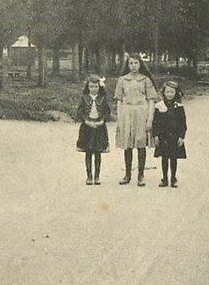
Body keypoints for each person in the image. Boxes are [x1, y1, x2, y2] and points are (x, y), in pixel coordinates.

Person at [114, 54, 158, 186]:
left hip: (141, 112)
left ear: (140, 64)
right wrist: (119, 117)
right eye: (131, 63)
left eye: (136, 63)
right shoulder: (122, 80)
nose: (133, 66)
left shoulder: (145, 80)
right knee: (127, 144)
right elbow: (119, 100)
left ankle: (141, 175)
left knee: (140, 142)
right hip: (126, 112)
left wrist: (150, 119)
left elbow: (151, 100)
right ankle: (127, 174)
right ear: (127, 65)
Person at [75, 74, 110, 185]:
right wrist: (87, 121)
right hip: (87, 127)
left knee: (98, 152)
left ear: (99, 87)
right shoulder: (84, 98)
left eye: (95, 86)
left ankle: (97, 176)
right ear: (88, 87)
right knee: (88, 152)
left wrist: (102, 120)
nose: (93, 89)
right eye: (91, 86)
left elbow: (107, 112)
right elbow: (79, 112)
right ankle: (89, 176)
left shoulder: (103, 98)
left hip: (99, 127)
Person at [152, 80, 187, 188]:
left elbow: (183, 123)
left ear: (176, 93)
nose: (169, 94)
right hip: (163, 137)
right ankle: (165, 178)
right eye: (167, 92)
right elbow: (155, 123)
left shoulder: (179, 107)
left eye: (172, 92)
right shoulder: (159, 106)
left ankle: (173, 178)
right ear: (164, 93)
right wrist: (156, 135)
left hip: (174, 136)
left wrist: (181, 137)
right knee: (164, 158)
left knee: (173, 158)